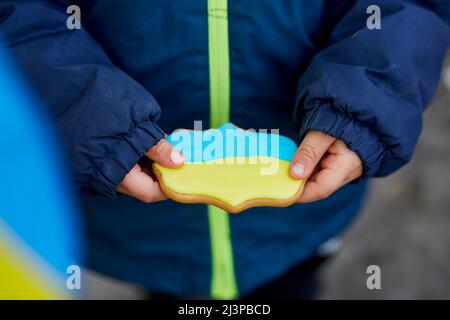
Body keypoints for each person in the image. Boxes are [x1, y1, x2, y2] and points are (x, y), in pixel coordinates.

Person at [1, 0, 449, 299]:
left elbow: (408, 8)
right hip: (136, 212)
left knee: (289, 287)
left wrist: (366, 99)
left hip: (296, 218)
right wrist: (78, 107)